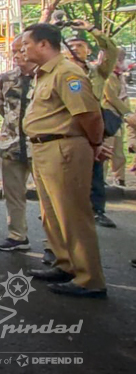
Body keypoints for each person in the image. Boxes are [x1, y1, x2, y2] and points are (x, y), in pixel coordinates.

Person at [21, 23, 107, 298]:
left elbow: (89, 115)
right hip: (45, 149)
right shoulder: (45, 74)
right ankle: (65, 263)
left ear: (44, 44)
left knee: (72, 214)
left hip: (64, 148)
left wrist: (94, 145)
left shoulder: (68, 72)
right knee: (51, 213)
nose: (24, 49)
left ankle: (89, 278)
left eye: (27, 44)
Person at [62, 20, 119, 227]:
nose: (75, 49)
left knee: (96, 170)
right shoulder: (59, 71)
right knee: (63, 171)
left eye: (80, 45)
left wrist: (91, 30)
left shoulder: (96, 72)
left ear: (87, 50)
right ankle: (62, 209)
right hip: (66, 127)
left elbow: (111, 50)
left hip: (92, 126)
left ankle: (96, 210)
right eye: (71, 45)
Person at [0, 36, 36, 252]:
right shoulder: (5, 78)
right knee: (12, 194)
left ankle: (54, 245)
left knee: (50, 199)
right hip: (10, 144)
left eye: (22, 50)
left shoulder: (47, 77)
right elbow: (2, 108)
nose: (17, 55)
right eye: (14, 51)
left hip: (40, 146)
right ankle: (17, 235)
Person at [103, 49, 130, 187]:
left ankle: (120, 178)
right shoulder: (107, 76)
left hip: (118, 116)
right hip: (109, 115)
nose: (121, 62)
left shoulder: (119, 76)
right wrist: (127, 113)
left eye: (122, 59)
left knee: (119, 150)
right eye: (118, 59)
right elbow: (111, 97)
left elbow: (123, 96)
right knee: (107, 147)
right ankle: (101, 178)